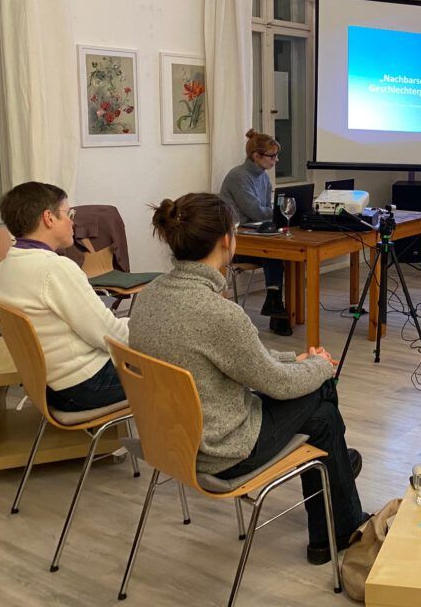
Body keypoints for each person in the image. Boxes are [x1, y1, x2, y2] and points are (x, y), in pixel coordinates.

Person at [129, 193, 367, 564]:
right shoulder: (220, 314)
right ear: (227, 240)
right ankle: (338, 505)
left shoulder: (148, 297)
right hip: (222, 452)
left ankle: (334, 483)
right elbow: (276, 384)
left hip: (169, 443)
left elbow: (239, 359)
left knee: (322, 420)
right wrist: (320, 365)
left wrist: (295, 358)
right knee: (321, 396)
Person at [0, 182, 129, 412]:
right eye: (68, 214)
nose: (73, 221)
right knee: (178, 367)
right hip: (84, 387)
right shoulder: (55, 269)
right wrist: (149, 331)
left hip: (48, 387)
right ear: (49, 218)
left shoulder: (6, 267)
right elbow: (107, 335)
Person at [220, 129, 291, 335]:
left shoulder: (263, 177)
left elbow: (264, 212)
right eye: (272, 156)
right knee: (274, 251)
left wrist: (276, 213)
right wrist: (280, 212)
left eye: (276, 155)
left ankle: (276, 303)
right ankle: (275, 305)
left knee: (279, 250)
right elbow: (256, 211)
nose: (276, 160)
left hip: (255, 235)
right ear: (256, 156)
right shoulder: (238, 177)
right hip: (236, 243)